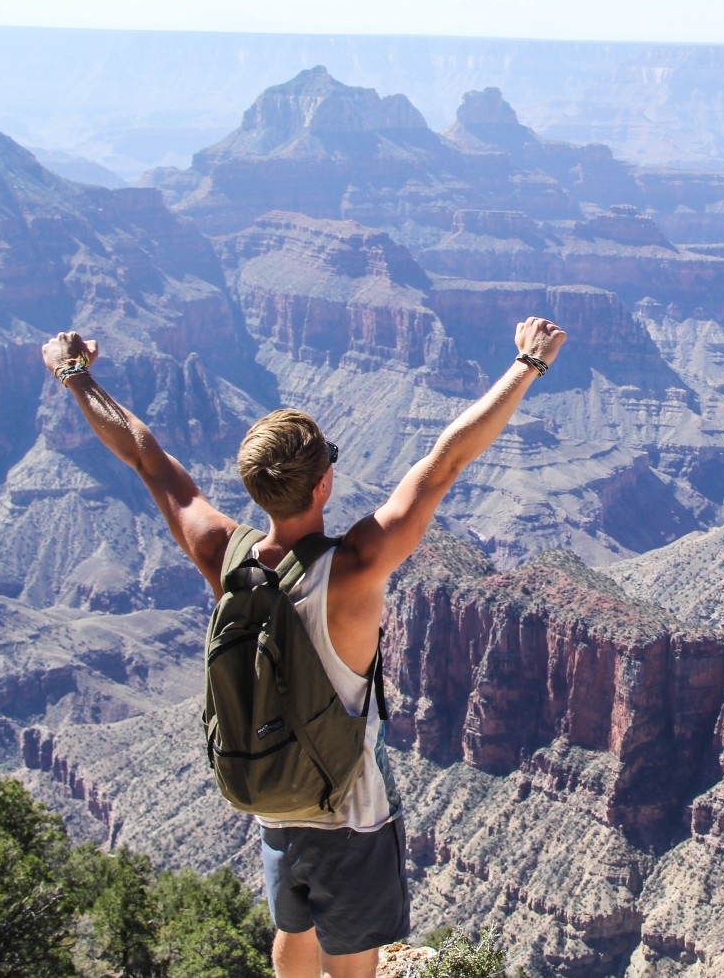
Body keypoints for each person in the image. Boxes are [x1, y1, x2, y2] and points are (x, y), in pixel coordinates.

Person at [41, 317, 567, 978]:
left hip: (268, 790)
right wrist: (528, 363)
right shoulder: (352, 568)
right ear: (322, 485)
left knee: (293, 926)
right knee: (351, 963)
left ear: (254, 487)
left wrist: (74, 375)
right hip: (345, 811)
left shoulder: (220, 553)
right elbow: (445, 461)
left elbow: (144, 454)